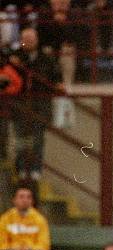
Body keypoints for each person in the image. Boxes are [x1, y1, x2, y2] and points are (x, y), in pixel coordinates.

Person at [9, 27, 62, 180]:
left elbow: (55, 77)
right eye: (25, 40)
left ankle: (36, 170)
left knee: (38, 139)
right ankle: (20, 169)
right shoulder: (14, 58)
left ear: (37, 40)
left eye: (31, 40)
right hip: (20, 104)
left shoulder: (46, 58)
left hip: (40, 105)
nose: (28, 43)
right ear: (21, 41)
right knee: (20, 140)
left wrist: (58, 85)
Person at [0, 186, 49, 250]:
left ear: (32, 201)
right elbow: (2, 242)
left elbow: (44, 244)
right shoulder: (5, 219)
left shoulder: (40, 220)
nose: (25, 200)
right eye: (21, 197)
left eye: (28, 197)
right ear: (14, 200)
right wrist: (14, 249)